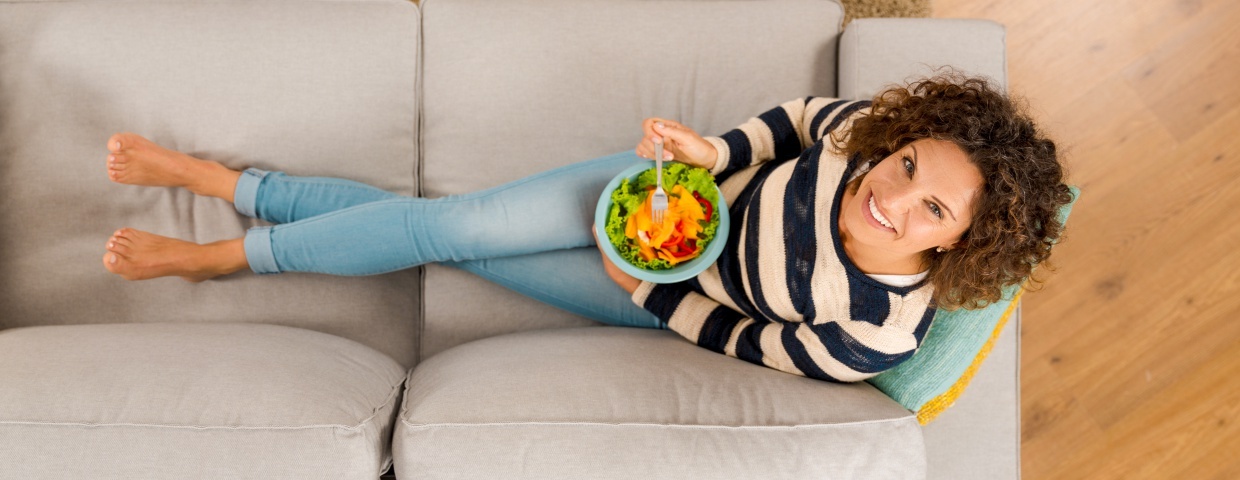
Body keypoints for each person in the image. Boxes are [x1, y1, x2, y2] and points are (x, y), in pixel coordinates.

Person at [101, 74, 1072, 383]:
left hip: (662, 294)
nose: (891, 198)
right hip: (655, 199)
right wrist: (710, 154)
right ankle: (221, 228)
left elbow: (753, 341)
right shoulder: (869, 139)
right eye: (908, 169)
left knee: (445, 236)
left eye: (929, 208)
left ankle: (231, 201)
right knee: (446, 224)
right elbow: (803, 118)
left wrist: (650, 294)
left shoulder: (875, 331)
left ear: (954, 242)